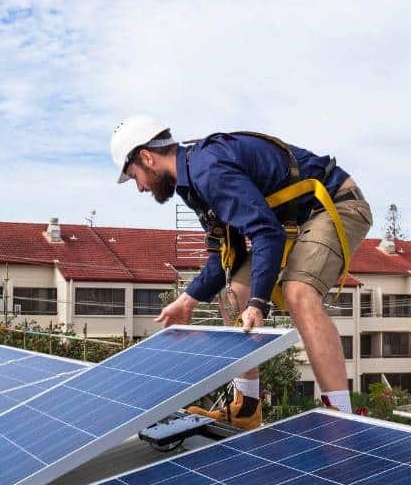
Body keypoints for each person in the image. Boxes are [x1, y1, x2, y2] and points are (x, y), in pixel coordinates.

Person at [109, 115, 372, 429]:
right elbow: (226, 257)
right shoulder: (192, 182)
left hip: (335, 204)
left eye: (135, 176)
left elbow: (266, 233)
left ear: (147, 157)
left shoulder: (207, 169)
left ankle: (341, 419)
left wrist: (258, 303)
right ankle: (247, 407)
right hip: (292, 222)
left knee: (298, 292)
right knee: (236, 292)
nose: (140, 188)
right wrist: (187, 301)